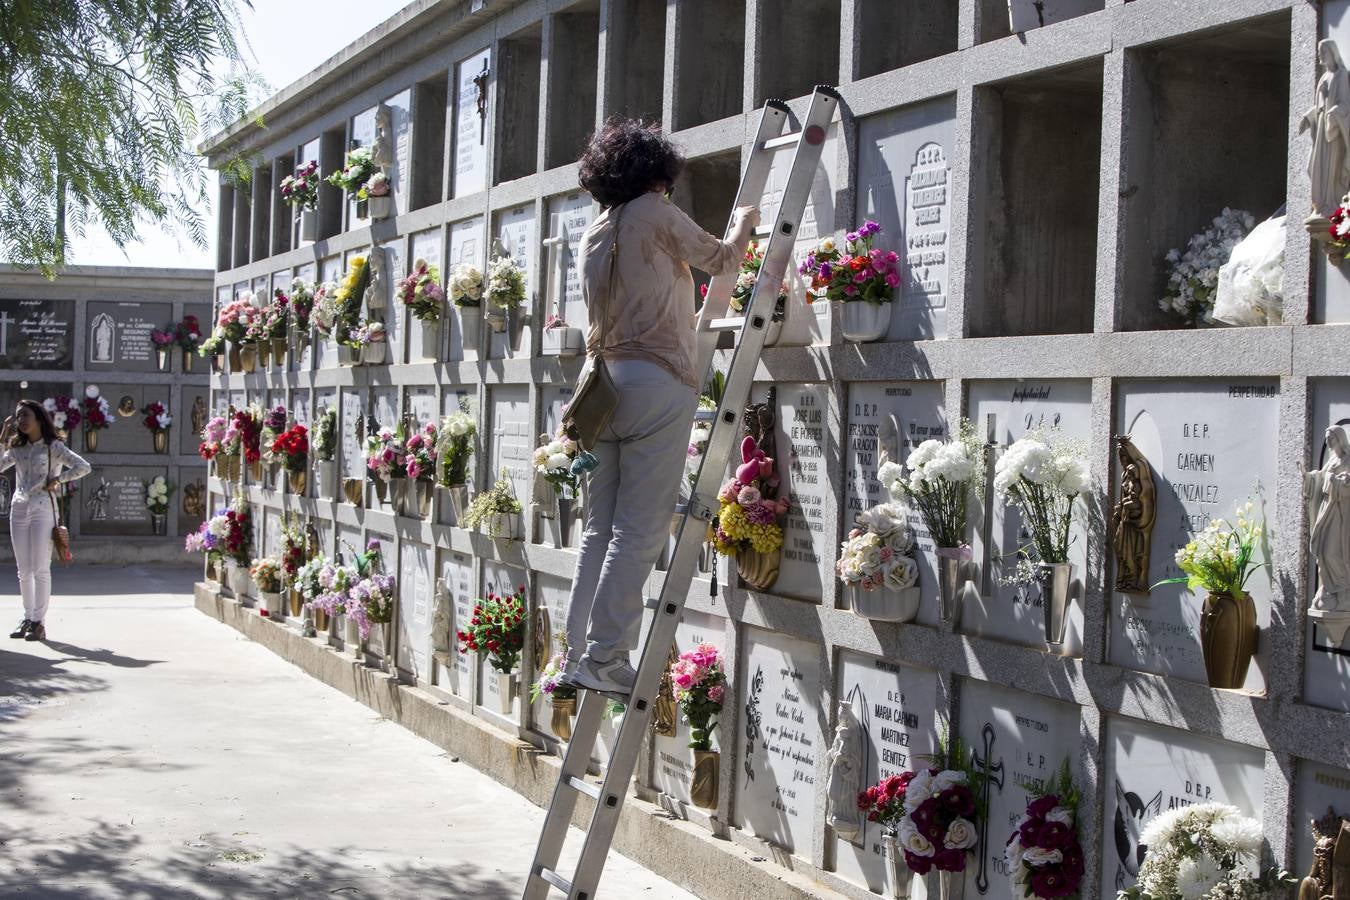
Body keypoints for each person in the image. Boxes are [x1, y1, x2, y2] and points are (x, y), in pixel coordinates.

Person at [562, 119, 759, 695]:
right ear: (654, 172)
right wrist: (746, 223)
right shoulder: (652, 209)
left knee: (599, 531)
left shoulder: (594, 232)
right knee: (640, 533)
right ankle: (605, 657)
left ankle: (577, 654)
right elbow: (720, 261)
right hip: (656, 382)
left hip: (601, 388)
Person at [2, 399, 91, 642]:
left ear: (39, 418)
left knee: (40, 568)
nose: (20, 421)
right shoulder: (17, 448)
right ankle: (28, 617)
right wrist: (2, 440)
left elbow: (84, 467)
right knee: (23, 570)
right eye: (18, 416)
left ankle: (38, 622)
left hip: (43, 509)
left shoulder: (53, 447)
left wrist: (59, 480)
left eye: (25, 415)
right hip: (19, 508)